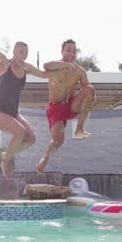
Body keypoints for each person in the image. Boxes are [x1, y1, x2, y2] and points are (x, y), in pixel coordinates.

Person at [0, 12, 58, 178]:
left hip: (13, 113)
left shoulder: (26, 67)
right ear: (14, 51)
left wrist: (64, 69)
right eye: (20, 51)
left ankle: (6, 155)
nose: (23, 54)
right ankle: (5, 160)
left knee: (31, 138)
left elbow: (44, 75)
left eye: (25, 52)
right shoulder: (4, 63)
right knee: (20, 133)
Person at [36, 39, 96, 174]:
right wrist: (63, 66)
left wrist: (90, 101)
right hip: (55, 108)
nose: (72, 53)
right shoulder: (55, 66)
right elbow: (45, 65)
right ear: (62, 51)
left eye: (74, 51)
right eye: (68, 50)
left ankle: (79, 129)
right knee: (58, 141)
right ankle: (45, 158)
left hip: (70, 105)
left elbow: (88, 90)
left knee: (90, 89)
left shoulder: (79, 70)